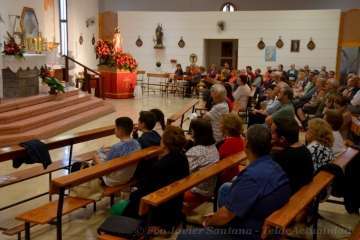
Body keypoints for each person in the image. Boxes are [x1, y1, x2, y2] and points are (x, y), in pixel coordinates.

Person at [177, 125, 291, 240]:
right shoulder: (274, 165)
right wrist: (221, 216)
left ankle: (222, 229)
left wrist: (211, 221)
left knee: (184, 236)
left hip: (251, 231)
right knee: (225, 188)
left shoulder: (251, 176)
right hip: (265, 216)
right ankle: (222, 224)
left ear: (246, 144)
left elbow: (226, 215)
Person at [123, 126, 190, 230]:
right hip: (175, 200)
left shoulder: (161, 165)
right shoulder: (182, 157)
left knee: (134, 197)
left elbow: (147, 185)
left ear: (164, 143)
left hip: (160, 204)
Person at [184, 119, 219, 210]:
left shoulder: (197, 151)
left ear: (195, 132)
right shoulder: (213, 147)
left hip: (196, 192)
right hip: (208, 190)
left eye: (191, 131)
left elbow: (182, 170)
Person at [271, 117, 314, 193]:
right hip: (305, 193)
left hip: (291, 198)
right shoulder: (304, 150)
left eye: (272, 133)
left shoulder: (282, 157)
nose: (271, 136)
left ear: (282, 139)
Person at [94, 117, 141, 186]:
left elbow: (105, 168)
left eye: (115, 128)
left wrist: (95, 157)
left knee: (95, 159)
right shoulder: (137, 144)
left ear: (120, 130)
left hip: (113, 180)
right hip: (127, 176)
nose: (114, 130)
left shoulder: (116, 147)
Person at [132, 111, 161, 179]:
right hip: (154, 165)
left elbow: (135, 147)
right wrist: (135, 134)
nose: (137, 124)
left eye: (139, 122)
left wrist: (134, 134)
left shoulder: (142, 140)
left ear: (143, 124)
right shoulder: (155, 134)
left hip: (143, 171)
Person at [218, 113, 245, 183]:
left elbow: (217, 163)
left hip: (226, 179)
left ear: (227, 128)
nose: (220, 126)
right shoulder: (241, 139)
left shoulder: (228, 144)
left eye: (221, 124)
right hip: (235, 174)